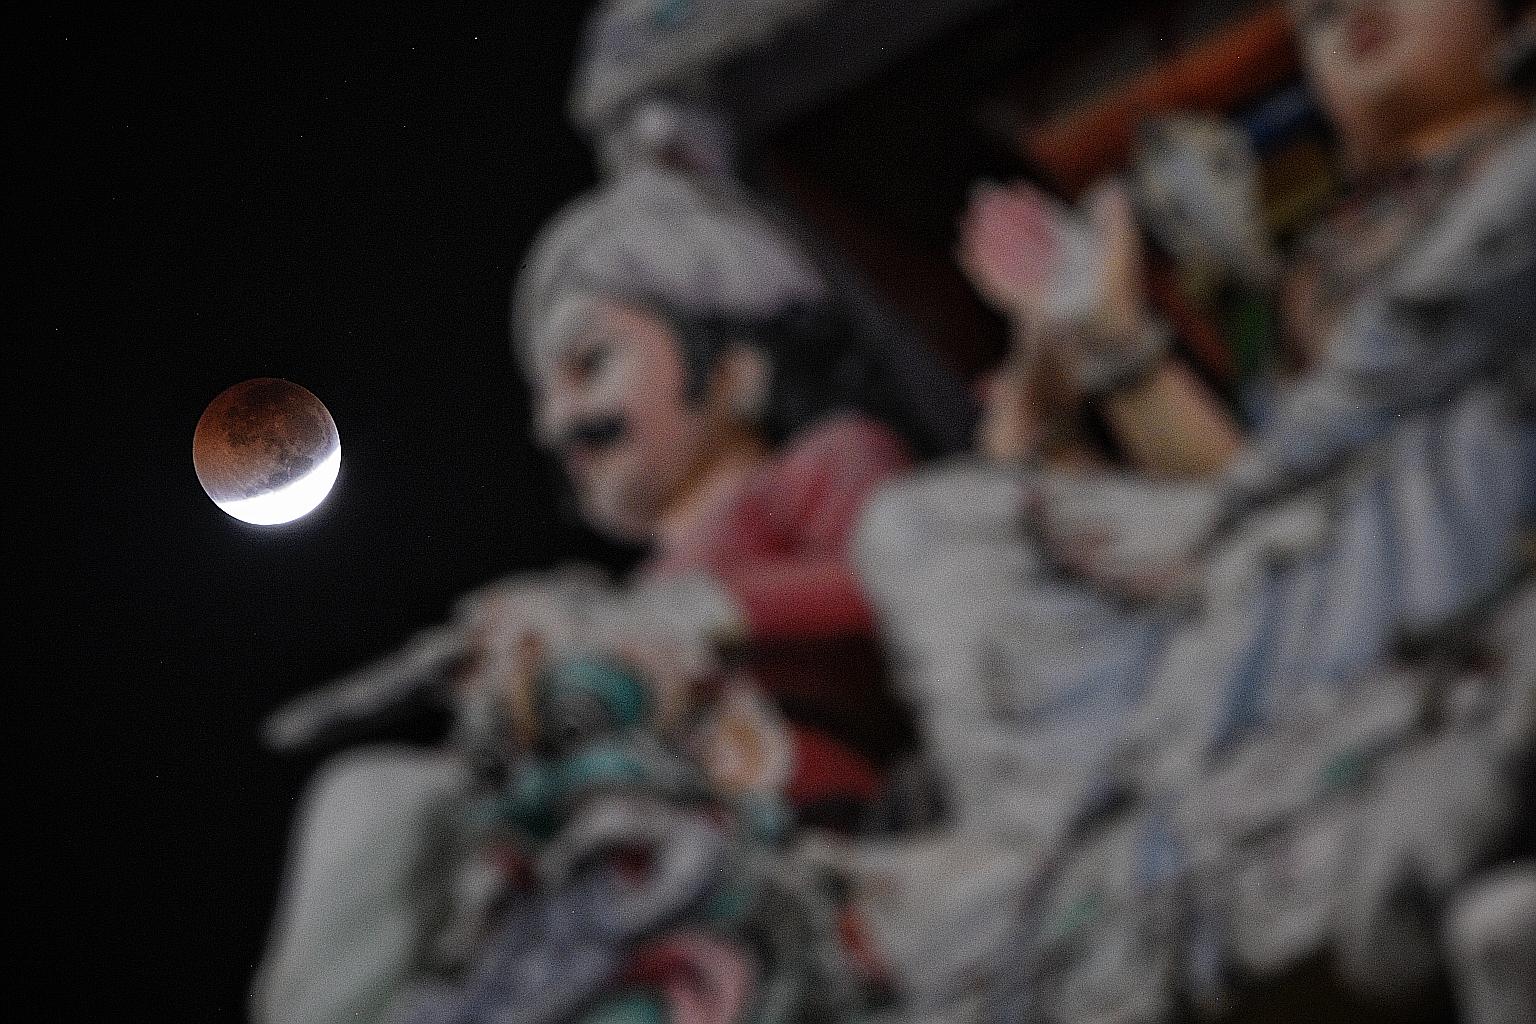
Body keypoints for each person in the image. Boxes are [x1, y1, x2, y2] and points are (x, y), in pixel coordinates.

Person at [846, 0, 1535, 1019]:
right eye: (1312, 13)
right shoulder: (1318, 275)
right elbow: (1261, 486)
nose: (1341, 11)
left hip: (1482, 539)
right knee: (927, 533)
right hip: (1323, 560)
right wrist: (1102, 353)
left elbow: (1335, 436)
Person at [250, 164, 974, 1024]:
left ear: (737, 370)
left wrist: (708, 611)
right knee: (372, 799)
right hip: (603, 852)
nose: (556, 421)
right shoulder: (622, 592)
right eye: (546, 392)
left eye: (590, 364)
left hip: (777, 832)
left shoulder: (826, 464)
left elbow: (906, 573)